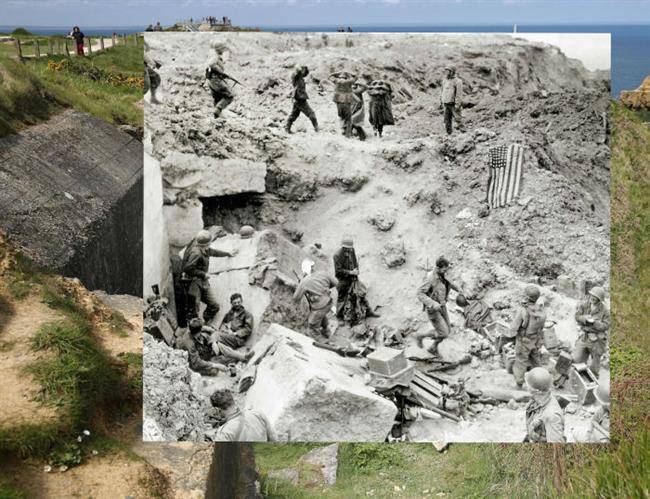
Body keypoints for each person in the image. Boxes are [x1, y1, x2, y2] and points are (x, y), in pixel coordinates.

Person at [181, 229, 236, 326]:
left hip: (203, 282)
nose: (209, 246)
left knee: (214, 306)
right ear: (203, 245)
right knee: (194, 309)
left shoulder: (204, 249)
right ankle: (195, 328)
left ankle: (205, 322)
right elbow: (187, 268)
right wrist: (203, 274)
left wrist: (228, 253)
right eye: (208, 244)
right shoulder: (196, 253)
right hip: (193, 283)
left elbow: (213, 252)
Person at [415, 256, 465, 356]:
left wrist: (458, 289)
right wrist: (433, 304)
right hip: (433, 309)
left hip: (442, 306)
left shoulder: (442, 274)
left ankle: (433, 347)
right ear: (438, 268)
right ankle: (420, 336)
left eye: (446, 269)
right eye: (444, 269)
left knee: (447, 330)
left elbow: (448, 283)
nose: (446, 271)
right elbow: (420, 293)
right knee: (444, 333)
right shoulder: (431, 278)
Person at [507, 285, 547, 389]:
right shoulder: (541, 310)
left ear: (527, 297)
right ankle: (542, 380)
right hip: (535, 339)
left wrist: (512, 334)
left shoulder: (523, 310)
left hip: (524, 340)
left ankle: (519, 384)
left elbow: (514, 327)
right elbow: (541, 326)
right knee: (536, 360)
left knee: (520, 361)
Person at [333, 238, 380, 323]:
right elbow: (338, 271)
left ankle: (368, 311)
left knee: (360, 294)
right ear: (343, 247)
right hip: (343, 280)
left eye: (350, 248)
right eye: (347, 248)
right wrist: (351, 272)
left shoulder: (352, 250)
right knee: (342, 298)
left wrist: (356, 269)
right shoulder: (337, 255)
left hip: (354, 277)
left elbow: (354, 262)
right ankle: (339, 317)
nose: (349, 249)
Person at [293, 258, 338, 340]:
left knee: (312, 328)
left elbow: (296, 298)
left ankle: (323, 342)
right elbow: (335, 282)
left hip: (319, 306)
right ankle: (327, 332)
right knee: (320, 316)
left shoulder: (304, 282)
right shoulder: (324, 274)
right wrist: (324, 288)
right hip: (329, 302)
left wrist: (299, 285)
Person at [212, 389, 277, 441]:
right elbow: (273, 438)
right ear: (233, 401)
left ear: (217, 409)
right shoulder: (257, 413)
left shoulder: (224, 433)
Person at [573, 286, 610, 377]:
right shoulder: (584, 305)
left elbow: (606, 326)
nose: (592, 298)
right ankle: (579, 382)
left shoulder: (605, 311)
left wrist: (594, 322)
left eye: (595, 297)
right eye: (592, 295)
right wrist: (585, 319)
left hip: (597, 341)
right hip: (584, 337)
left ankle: (592, 388)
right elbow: (577, 317)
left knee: (594, 367)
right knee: (577, 360)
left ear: (599, 299)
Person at [524, 367, 565, 443]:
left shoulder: (552, 416)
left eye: (528, 384)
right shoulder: (539, 399)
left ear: (537, 391)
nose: (526, 385)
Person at [212, 293, 255, 362]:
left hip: (238, 339)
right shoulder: (230, 313)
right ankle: (241, 357)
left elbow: (248, 329)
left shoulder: (247, 314)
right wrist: (225, 328)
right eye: (235, 303)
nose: (237, 304)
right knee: (215, 337)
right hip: (229, 336)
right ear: (231, 303)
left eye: (239, 302)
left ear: (242, 302)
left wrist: (235, 333)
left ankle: (214, 343)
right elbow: (223, 321)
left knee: (217, 335)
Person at [205, 45, 237, 118]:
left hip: (213, 80)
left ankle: (217, 116)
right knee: (229, 96)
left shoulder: (217, 58)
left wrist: (223, 75)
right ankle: (217, 110)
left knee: (218, 97)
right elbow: (211, 64)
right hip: (215, 80)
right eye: (227, 52)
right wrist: (221, 72)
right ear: (222, 51)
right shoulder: (215, 57)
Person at [285, 66, 319, 133]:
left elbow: (305, 72)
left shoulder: (301, 79)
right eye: (304, 71)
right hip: (299, 99)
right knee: (311, 114)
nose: (304, 73)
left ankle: (287, 128)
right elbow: (297, 69)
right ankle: (317, 129)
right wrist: (301, 67)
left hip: (299, 99)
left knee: (294, 114)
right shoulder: (296, 77)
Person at [330, 70, 356, 137]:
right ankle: (348, 134)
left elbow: (330, 76)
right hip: (346, 101)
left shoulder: (336, 81)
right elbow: (355, 77)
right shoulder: (348, 81)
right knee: (349, 119)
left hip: (338, 101)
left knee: (341, 116)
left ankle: (343, 131)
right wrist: (349, 73)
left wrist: (336, 73)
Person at [440, 66, 464, 135]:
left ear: (452, 72)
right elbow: (442, 91)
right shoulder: (444, 80)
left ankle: (464, 134)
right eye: (446, 71)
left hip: (453, 104)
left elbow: (459, 94)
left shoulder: (458, 81)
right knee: (447, 121)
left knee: (458, 119)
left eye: (448, 71)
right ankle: (449, 134)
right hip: (446, 104)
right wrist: (441, 101)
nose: (446, 72)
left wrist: (457, 105)